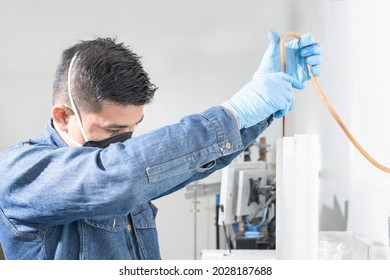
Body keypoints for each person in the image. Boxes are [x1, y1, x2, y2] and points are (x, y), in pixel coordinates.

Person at [0, 28, 322, 260]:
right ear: (62, 116)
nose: (124, 138)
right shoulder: (19, 172)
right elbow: (116, 176)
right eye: (113, 129)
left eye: (132, 128)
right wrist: (234, 112)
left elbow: (187, 165)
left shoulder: (126, 167)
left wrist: (260, 108)